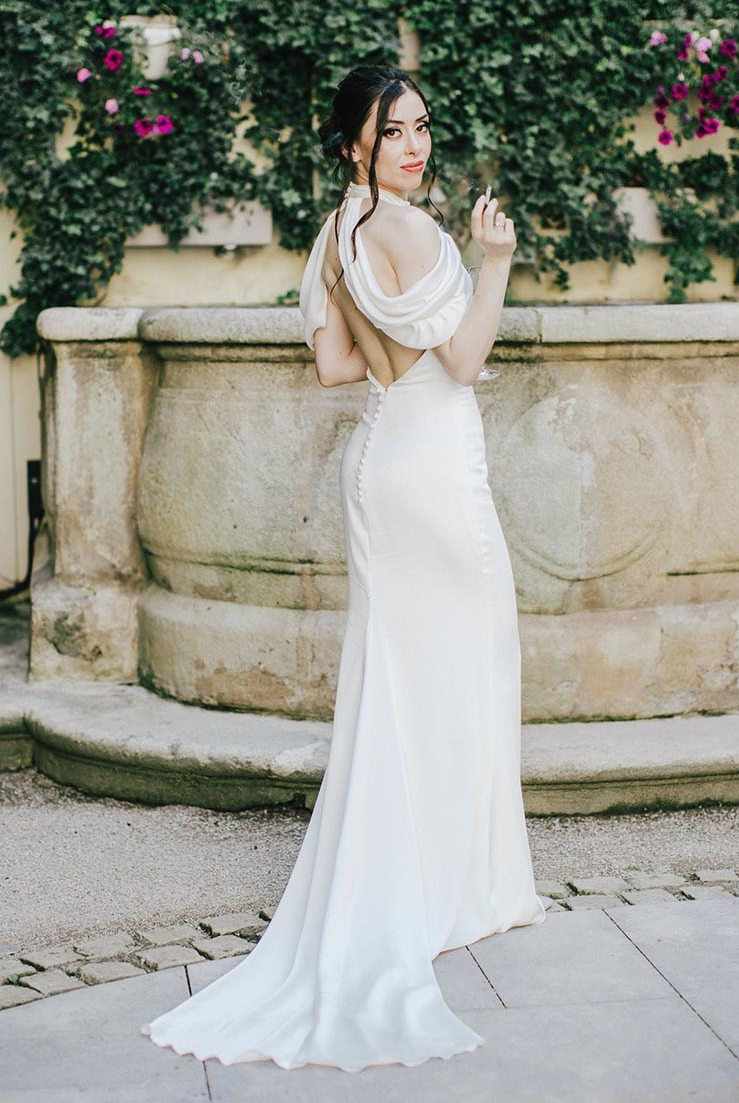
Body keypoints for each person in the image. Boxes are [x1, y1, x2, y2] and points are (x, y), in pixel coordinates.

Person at [140, 63, 548, 1073]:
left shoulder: (336, 233)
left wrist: (395, 336)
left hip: (379, 460)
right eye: (393, 130)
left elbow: (334, 366)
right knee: (469, 661)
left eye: (421, 126)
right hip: (432, 466)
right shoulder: (412, 229)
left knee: (396, 679)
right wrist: (494, 261)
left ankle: (423, 882)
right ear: (355, 142)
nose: (414, 145)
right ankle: (456, 891)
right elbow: (462, 362)